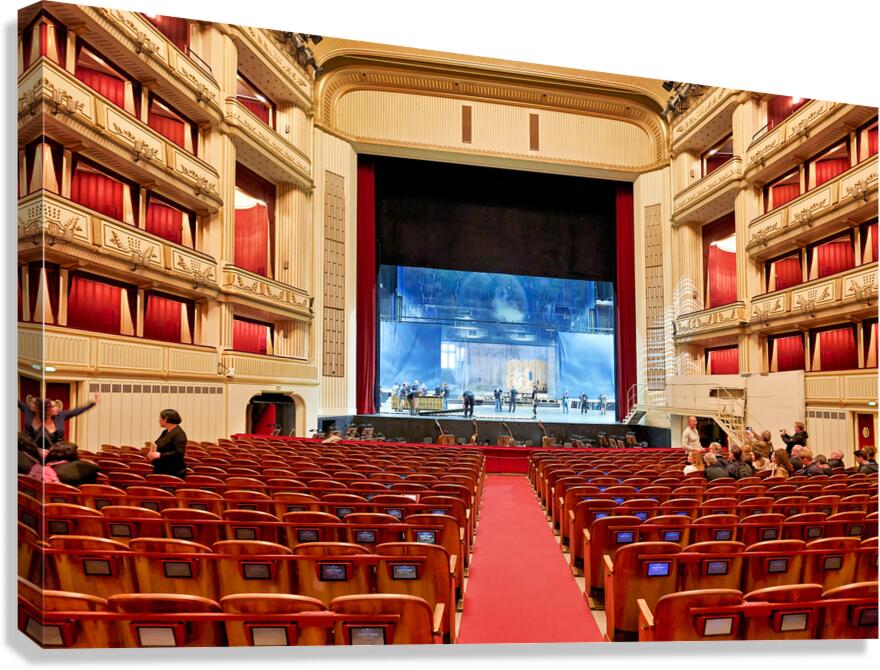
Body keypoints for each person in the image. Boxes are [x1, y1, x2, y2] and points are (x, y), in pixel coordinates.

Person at [18, 393, 100, 450]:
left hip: (57, 451)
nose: (57, 408)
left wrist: (93, 403)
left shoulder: (61, 415)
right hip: (32, 449)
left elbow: (77, 411)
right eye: (54, 406)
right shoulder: (29, 412)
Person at [148, 409, 187, 478]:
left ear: (166, 419)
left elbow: (179, 452)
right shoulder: (165, 432)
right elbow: (158, 445)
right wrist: (152, 453)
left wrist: (160, 455)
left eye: (160, 418)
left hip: (173, 471)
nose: (159, 420)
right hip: (161, 468)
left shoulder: (179, 434)